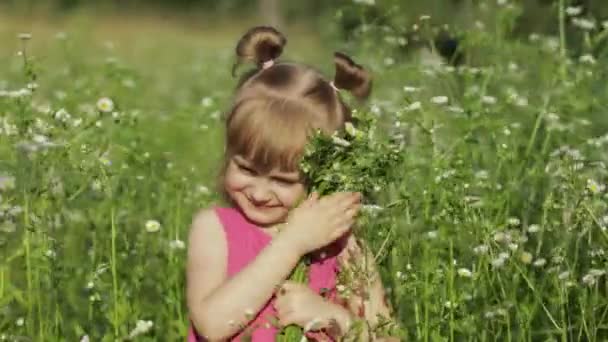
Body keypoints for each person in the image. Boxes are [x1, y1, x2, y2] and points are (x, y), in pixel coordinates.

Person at [186, 26, 398, 341]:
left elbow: (387, 338)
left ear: (323, 175)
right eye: (245, 169)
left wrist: (334, 317)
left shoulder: (345, 249)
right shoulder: (215, 230)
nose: (258, 192)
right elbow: (212, 326)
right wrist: (292, 242)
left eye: (282, 180)